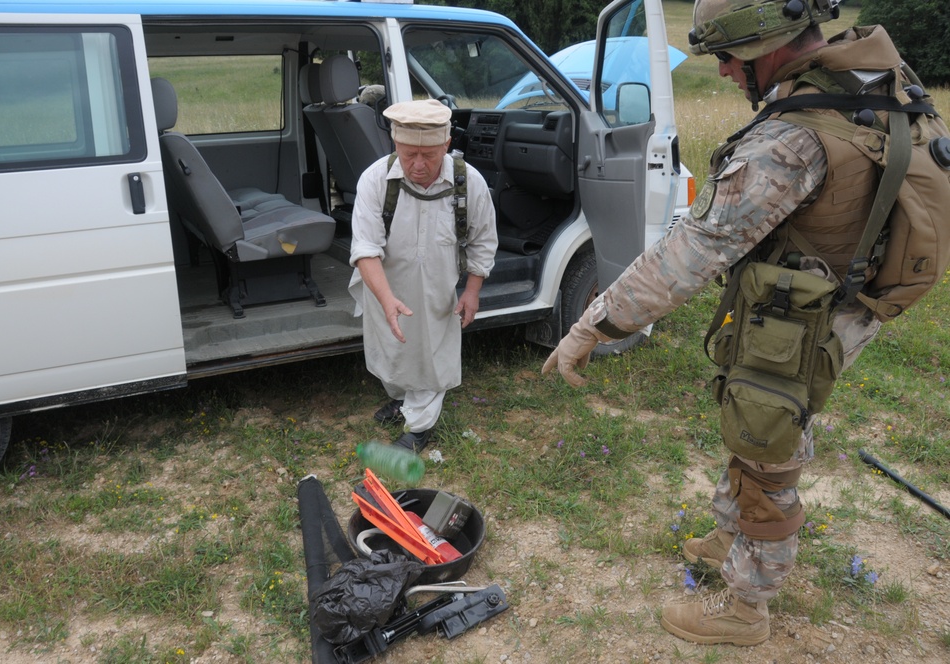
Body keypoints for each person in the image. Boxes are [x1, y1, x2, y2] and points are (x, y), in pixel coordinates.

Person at [542, 0, 912, 646]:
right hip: (820, 293)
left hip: (806, 314)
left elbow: (690, 253)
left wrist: (592, 326)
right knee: (752, 423)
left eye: (726, 59)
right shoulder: (860, 80)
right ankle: (729, 531)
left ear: (768, 48)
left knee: (769, 446)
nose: (719, 73)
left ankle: (746, 608)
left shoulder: (790, 141)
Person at [349, 99, 497, 452]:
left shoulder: (468, 182)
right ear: (395, 145)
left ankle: (419, 427)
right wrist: (386, 301)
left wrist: (472, 290)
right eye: (407, 153)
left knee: (433, 354)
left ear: (445, 145)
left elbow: (483, 240)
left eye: (428, 154)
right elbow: (365, 248)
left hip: (437, 291)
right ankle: (403, 399)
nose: (417, 164)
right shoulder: (375, 180)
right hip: (384, 286)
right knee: (391, 350)